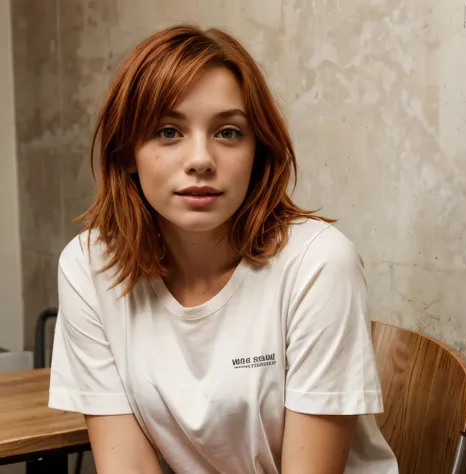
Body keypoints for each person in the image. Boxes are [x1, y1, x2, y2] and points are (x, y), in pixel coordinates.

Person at [48, 24, 398, 474]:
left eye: (229, 132)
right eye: (168, 131)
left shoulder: (319, 264)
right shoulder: (91, 267)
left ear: (259, 151)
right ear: (126, 152)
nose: (201, 159)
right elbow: (128, 466)